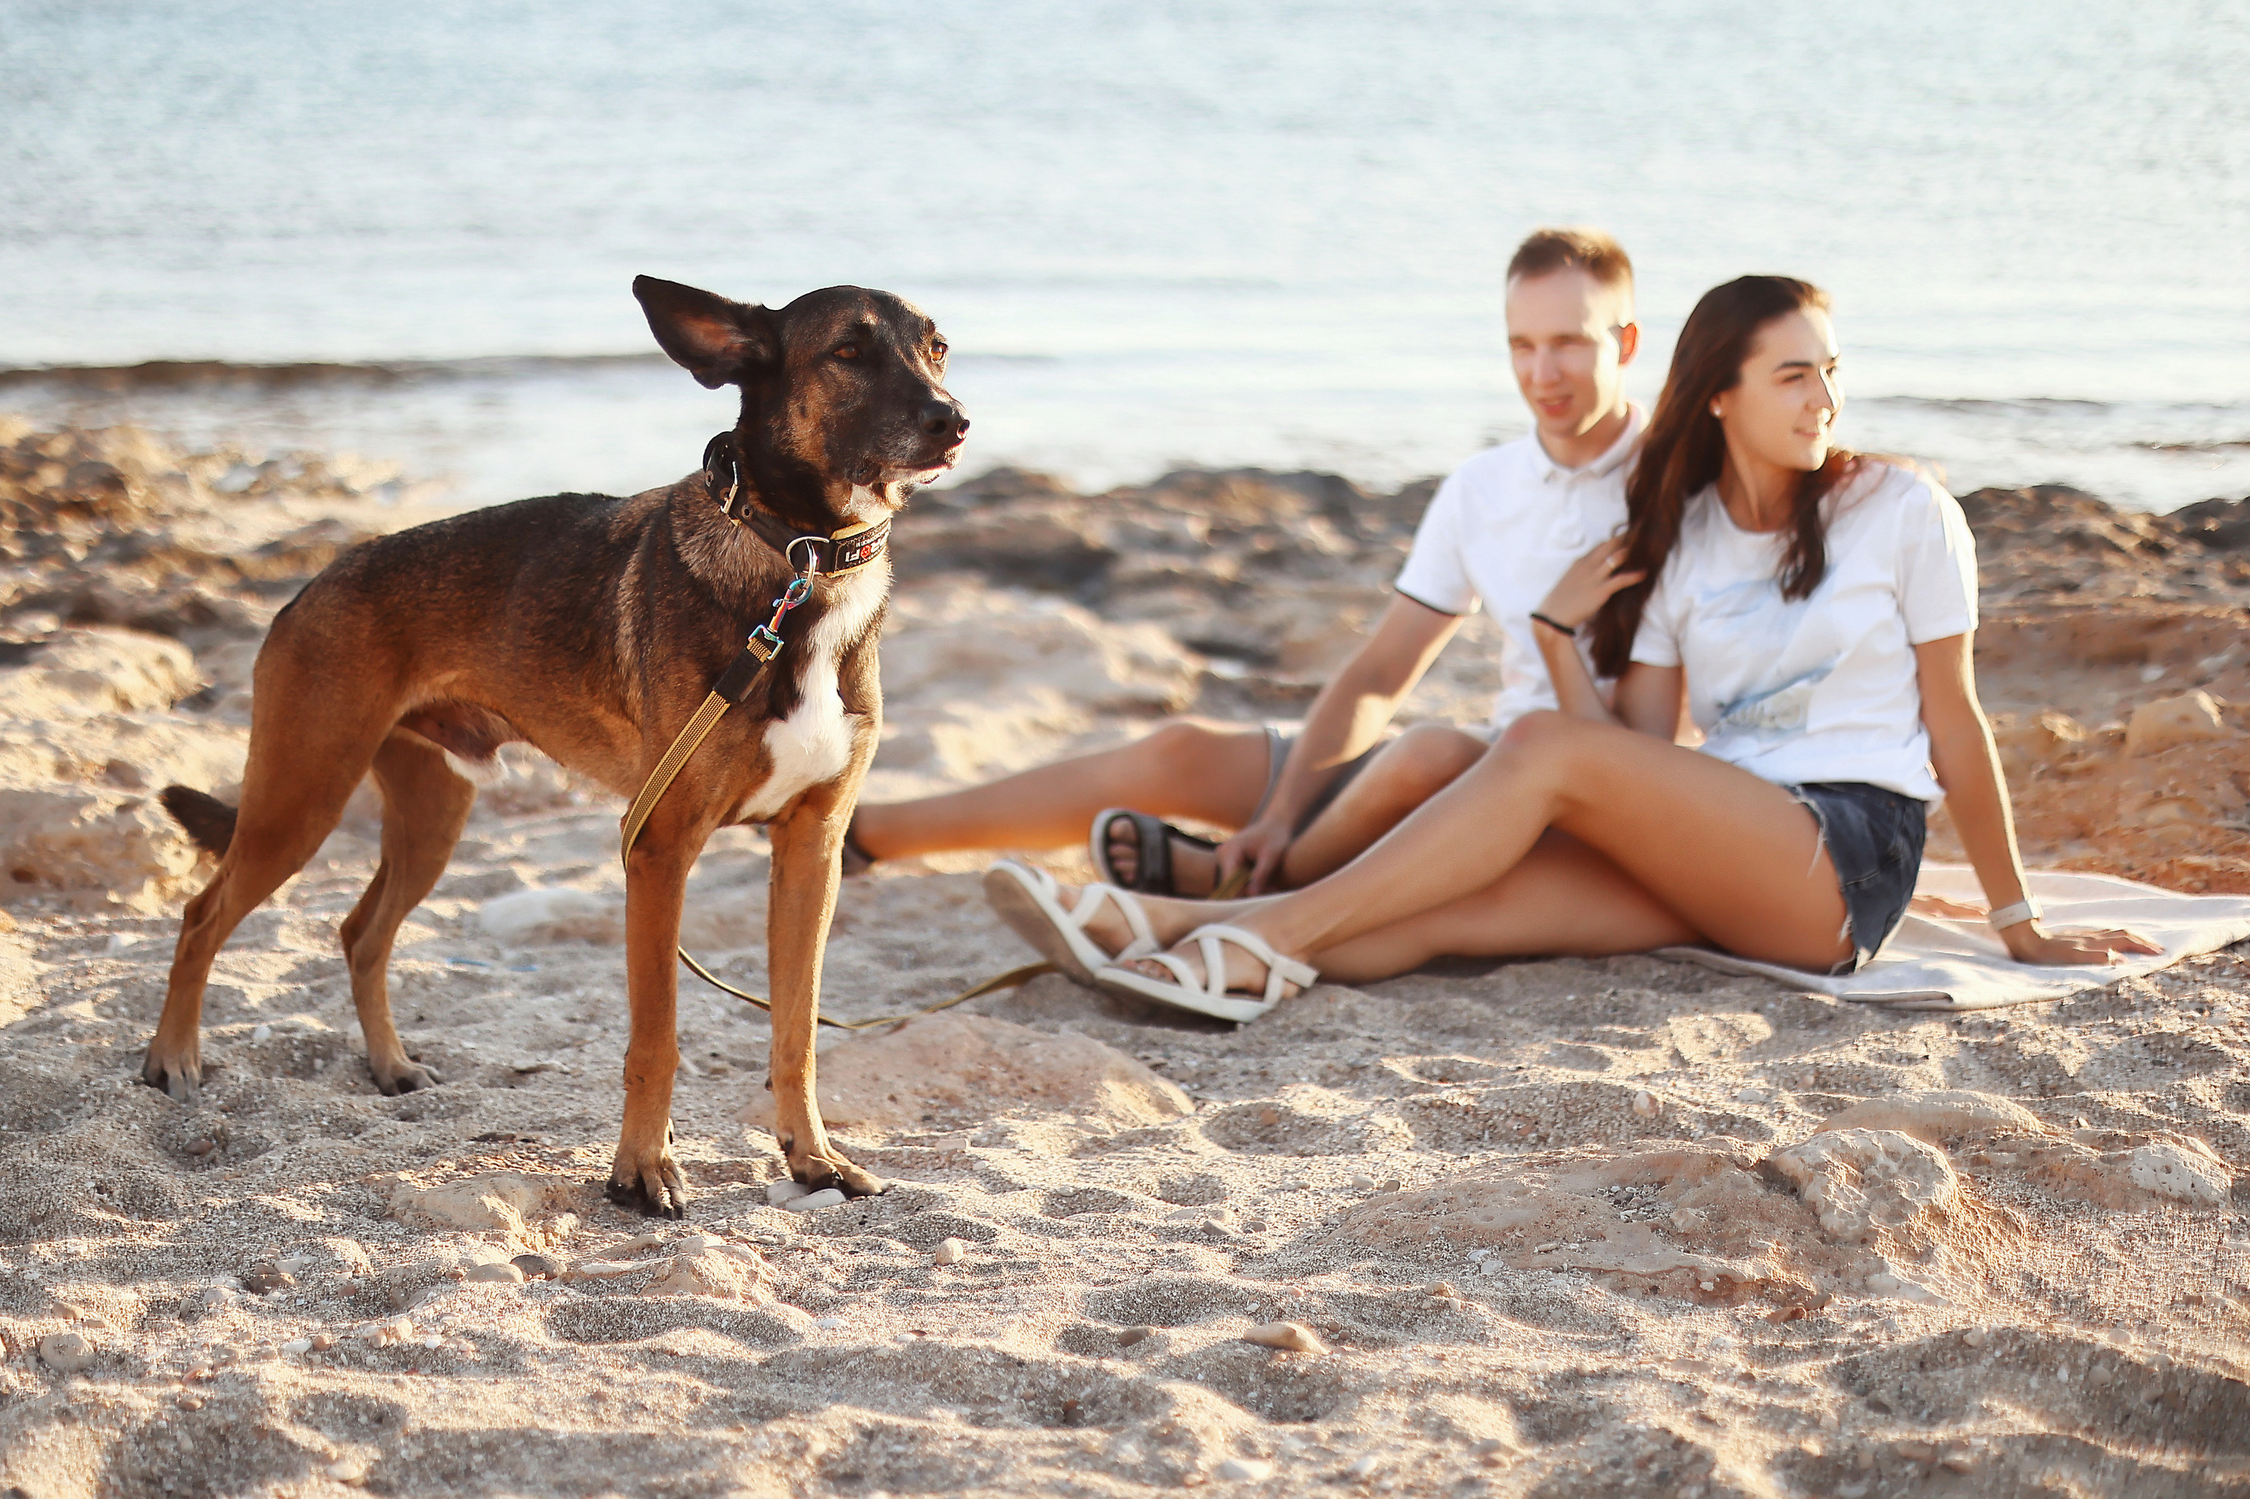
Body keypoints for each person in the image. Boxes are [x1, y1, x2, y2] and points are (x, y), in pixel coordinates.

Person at [986, 274, 2159, 1020]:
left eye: (1830, 373)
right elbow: (1631, 757)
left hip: (1839, 859)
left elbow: (1954, 721)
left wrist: (2020, 923)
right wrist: (1554, 636)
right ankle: (1172, 935)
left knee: (1530, 756)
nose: (1823, 399)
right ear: (1717, 395)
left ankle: (1255, 935)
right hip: (1720, 837)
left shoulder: (1903, 510)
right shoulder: (1677, 543)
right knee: (1452, 913)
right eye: (1794, 375)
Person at [845, 228, 1648, 900]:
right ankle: (860, 835)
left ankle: (1246, 886)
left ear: (1627, 343)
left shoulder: (1680, 484)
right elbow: (1379, 674)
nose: (1542, 373)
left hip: (1588, 794)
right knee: (1182, 752)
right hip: (1480, 761)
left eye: (1570, 343)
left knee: (1430, 753)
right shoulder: (1484, 486)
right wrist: (1280, 811)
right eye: (1523, 345)